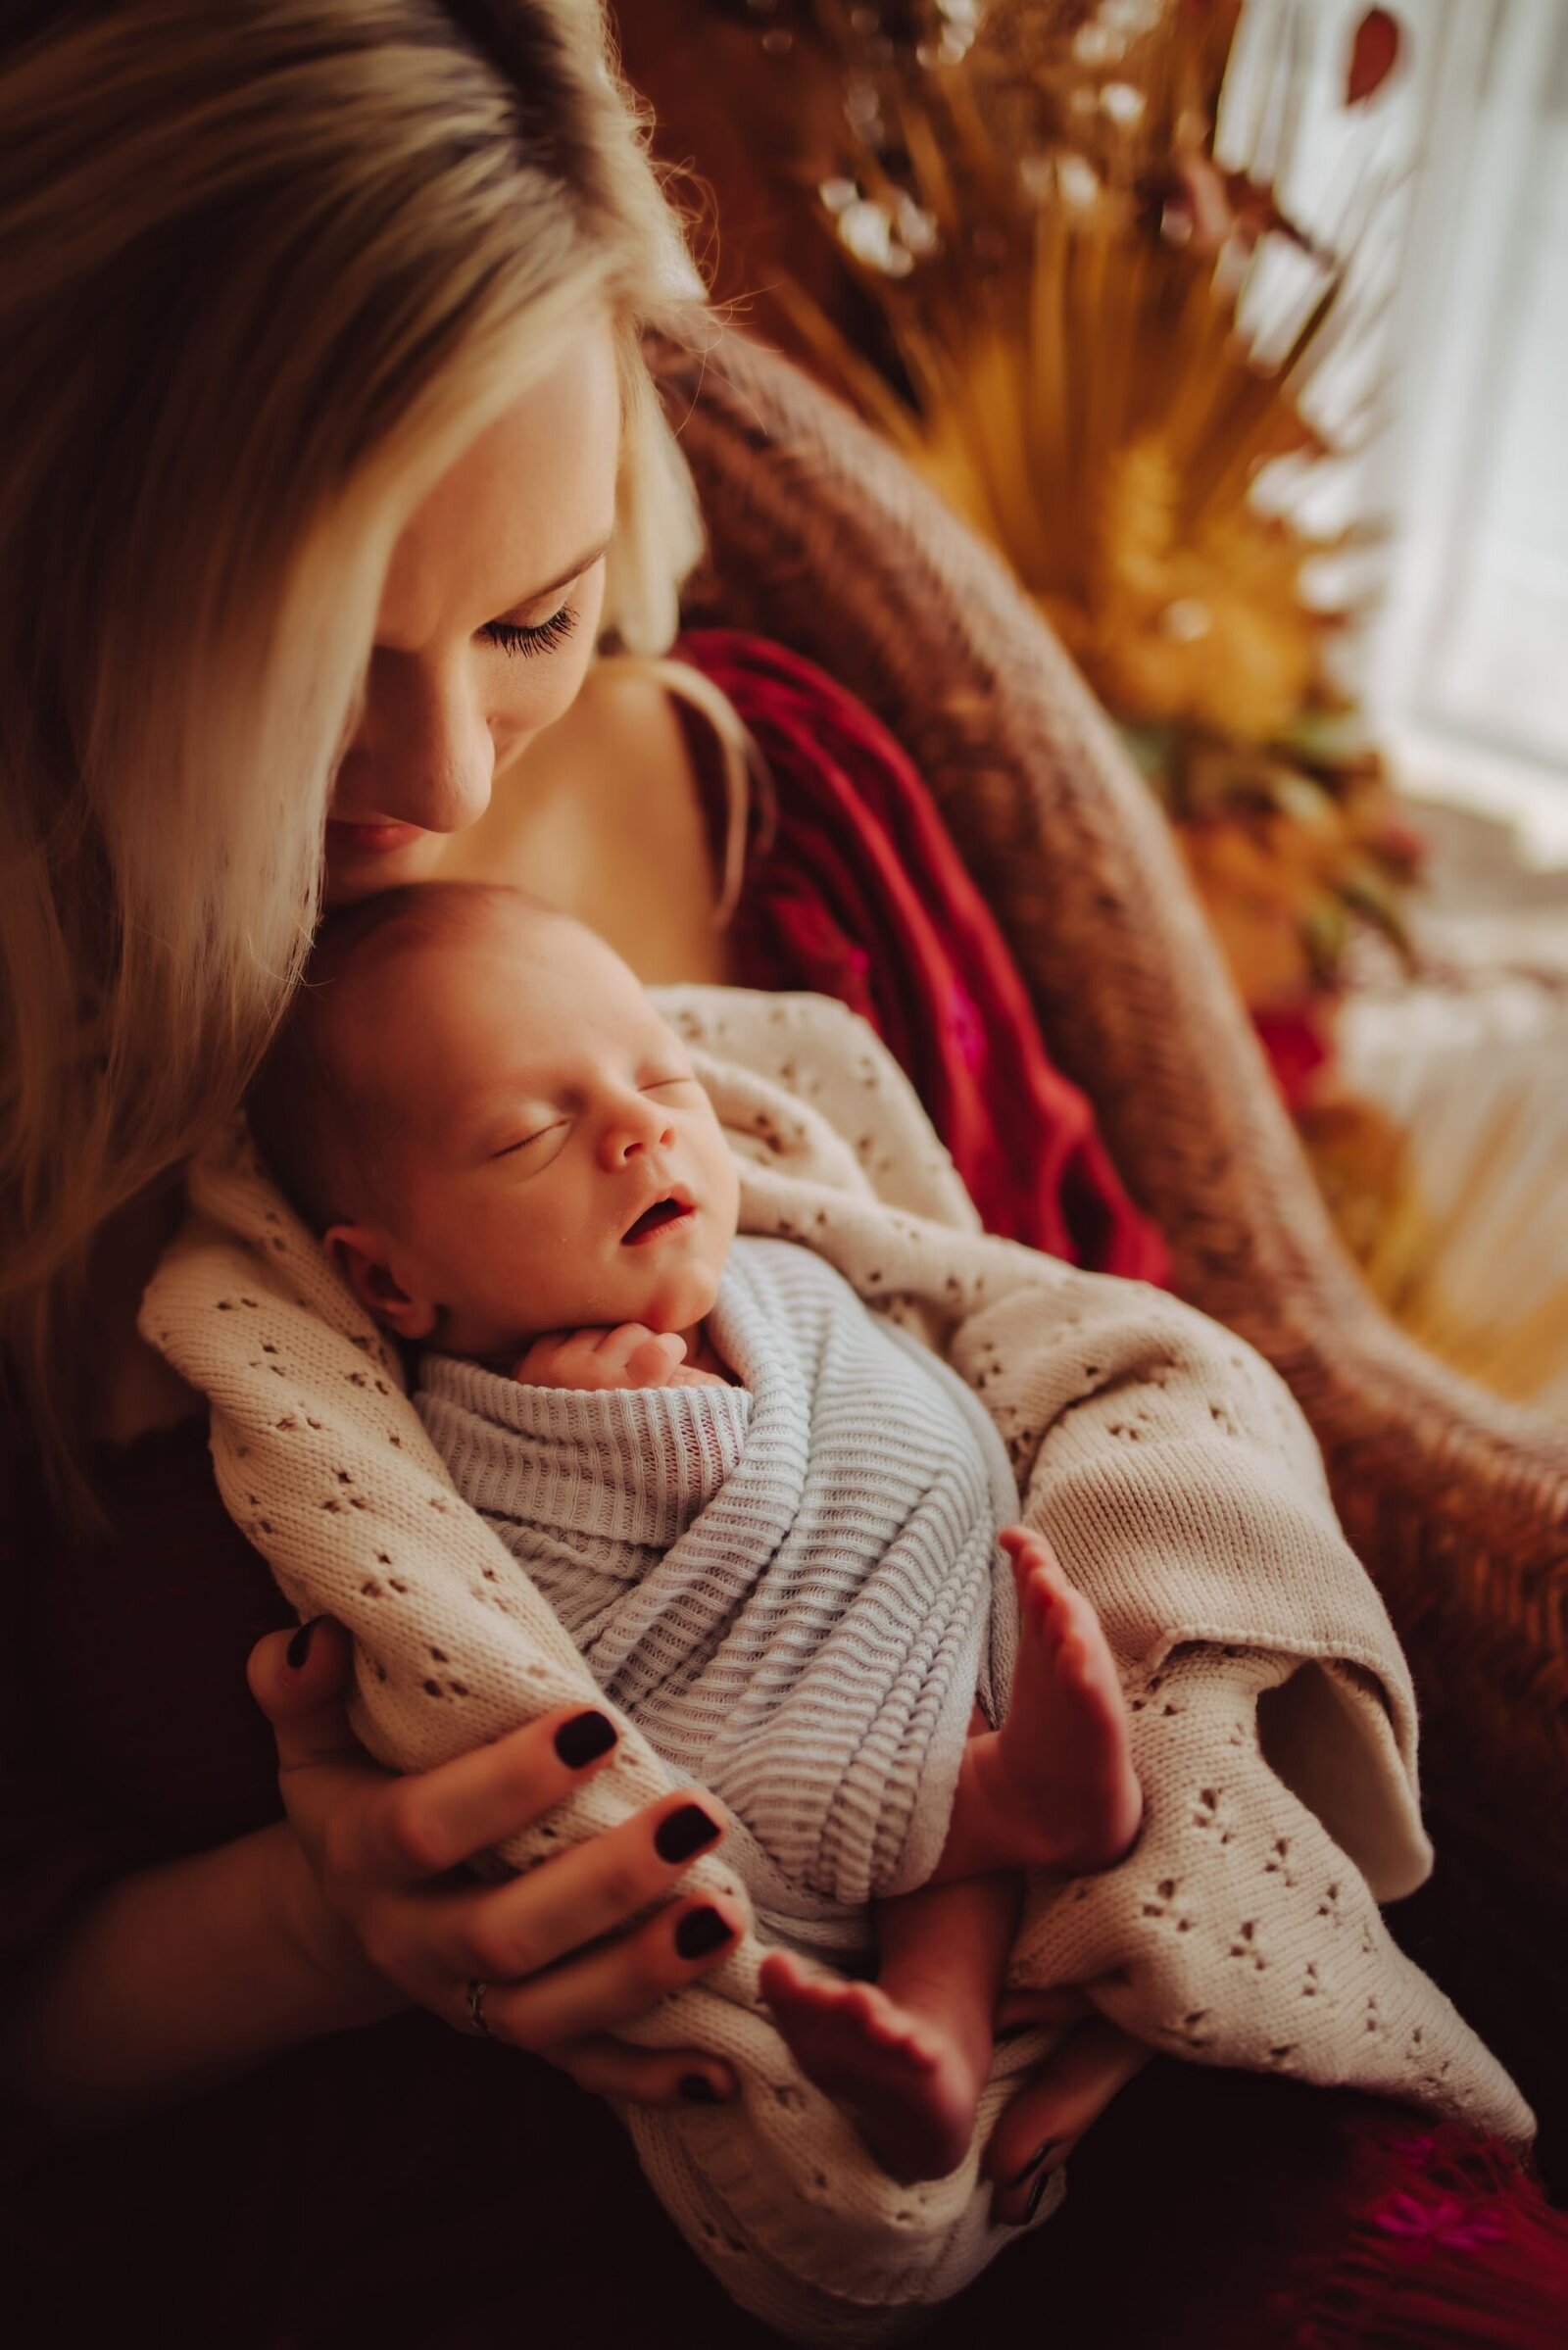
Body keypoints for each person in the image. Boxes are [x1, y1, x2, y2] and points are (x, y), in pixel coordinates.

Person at [3, 5, 1562, 2344]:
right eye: (308, 657)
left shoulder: (778, 812)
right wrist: (318, 1930)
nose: (433, 776)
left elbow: (1138, 1396)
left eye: (527, 616)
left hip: (1133, 2043)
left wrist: (1181, 1876)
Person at [245, 878, 1147, 2184]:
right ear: (391, 1277)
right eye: (524, 1138)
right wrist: (621, 1439)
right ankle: (954, 1981)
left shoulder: (778, 1273)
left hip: (926, 1584)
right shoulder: (462, 1427)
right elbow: (563, 1634)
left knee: (934, 1790)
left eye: (665, 1084)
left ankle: (959, 1969)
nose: (635, 1131)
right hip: (766, 1697)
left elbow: (916, 1360)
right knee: (847, 1782)